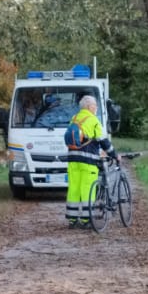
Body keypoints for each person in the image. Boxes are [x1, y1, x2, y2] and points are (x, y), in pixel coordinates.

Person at [63, 95, 117, 226]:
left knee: (74, 189)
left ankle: (72, 219)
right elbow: (103, 141)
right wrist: (114, 155)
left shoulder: (74, 118)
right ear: (89, 106)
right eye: (95, 105)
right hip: (88, 161)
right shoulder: (93, 120)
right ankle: (87, 220)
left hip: (72, 160)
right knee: (87, 189)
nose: (96, 107)